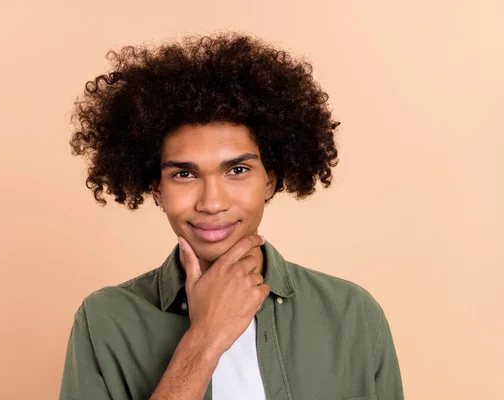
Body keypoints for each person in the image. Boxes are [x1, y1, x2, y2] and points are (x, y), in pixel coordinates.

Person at [59, 32, 404, 400]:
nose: (212, 202)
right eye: (184, 174)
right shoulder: (105, 320)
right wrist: (205, 338)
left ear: (270, 180)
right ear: (157, 190)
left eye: (237, 170)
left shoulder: (352, 315)